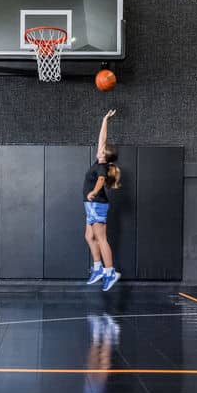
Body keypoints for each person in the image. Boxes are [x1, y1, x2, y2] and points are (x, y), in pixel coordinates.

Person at [84, 109, 122, 291]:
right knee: (89, 236)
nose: (99, 153)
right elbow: (102, 139)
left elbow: (100, 181)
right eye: (100, 152)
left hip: (96, 204)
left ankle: (110, 271)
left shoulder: (102, 168)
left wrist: (93, 192)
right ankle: (98, 268)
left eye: (102, 154)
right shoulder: (100, 159)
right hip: (91, 205)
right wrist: (105, 119)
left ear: (107, 158)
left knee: (100, 238)